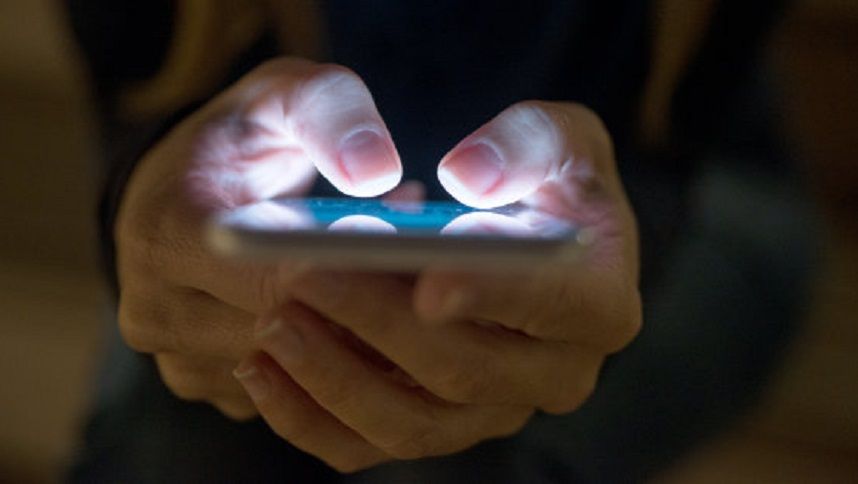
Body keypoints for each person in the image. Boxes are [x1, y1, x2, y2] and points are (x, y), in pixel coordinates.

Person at [66, 1, 810, 482]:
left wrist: (627, 240)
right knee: (181, 448)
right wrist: (146, 196)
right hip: (269, 227)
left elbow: (674, 143)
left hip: (711, 196)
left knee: (451, 466)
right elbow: (148, 114)